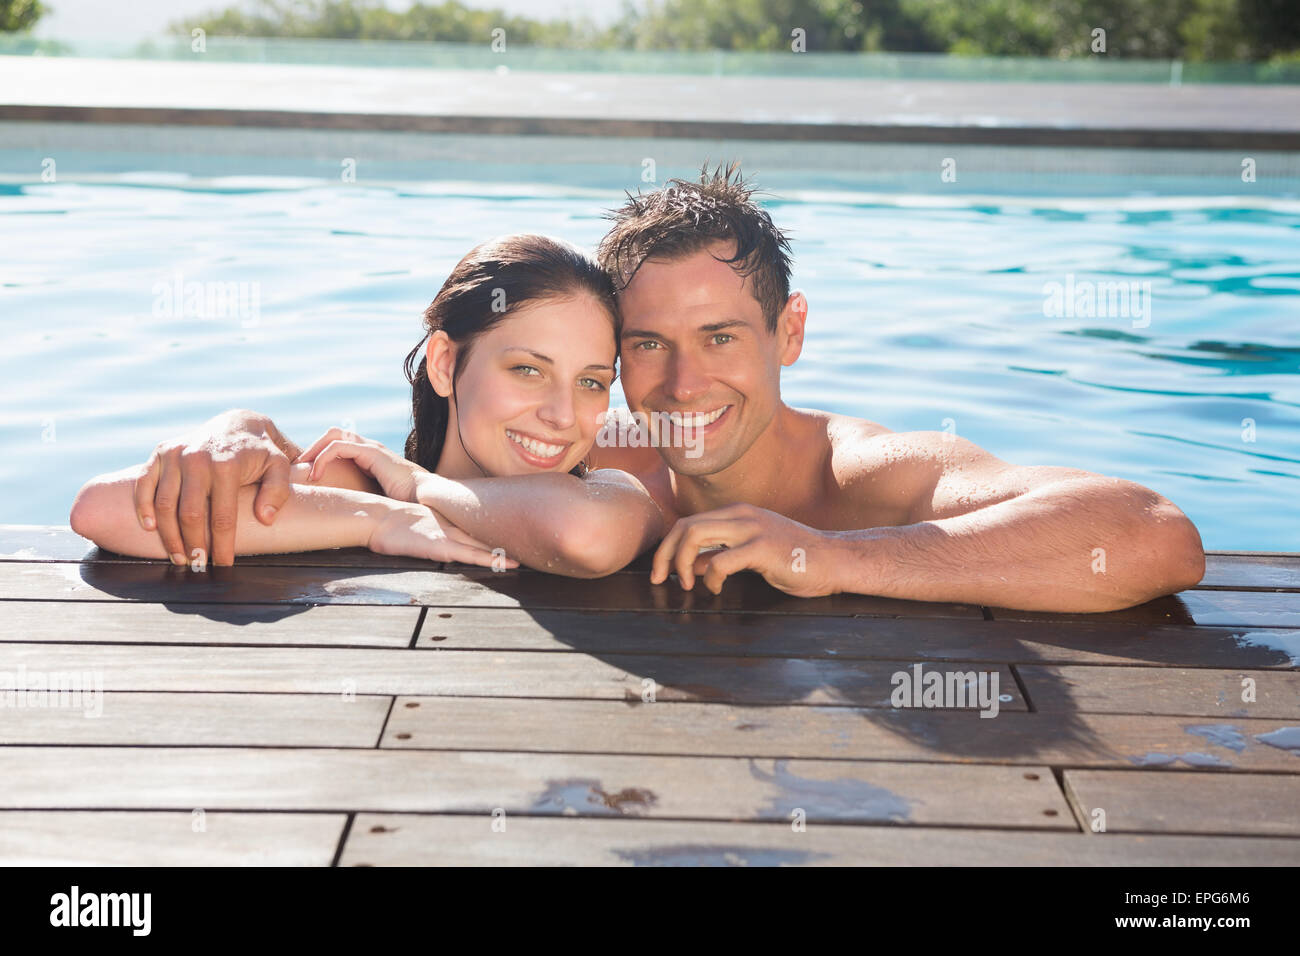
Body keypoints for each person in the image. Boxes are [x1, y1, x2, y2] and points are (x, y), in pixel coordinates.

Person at [107, 165, 1207, 612]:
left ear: (790, 331)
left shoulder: (861, 472)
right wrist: (238, 422)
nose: (680, 380)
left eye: (721, 335)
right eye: (642, 346)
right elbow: (389, 448)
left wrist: (828, 556)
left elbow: (1151, 532)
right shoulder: (600, 443)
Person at [69, 235, 666, 577]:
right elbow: (103, 511)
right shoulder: (360, 492)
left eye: (592, 382)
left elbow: (581, 533)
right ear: (443, 364)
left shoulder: (612, 485)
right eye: (527, 370)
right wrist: (380, 518)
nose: (563, 415)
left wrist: (418, 490)